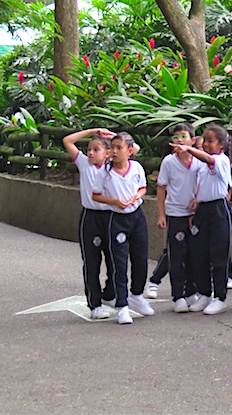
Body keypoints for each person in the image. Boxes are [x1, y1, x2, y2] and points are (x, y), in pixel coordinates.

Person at [91, 132, 154, 325]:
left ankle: (137, 295)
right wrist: (114, 201)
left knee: (140, 258)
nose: (115, 151)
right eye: (112, 147)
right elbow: (96, 195)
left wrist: (136, 196)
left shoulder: (136, 168)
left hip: (136, 217)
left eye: (119, 148)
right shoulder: (105, 172)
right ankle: (122, 305)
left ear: (130, 151)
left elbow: (142, 187)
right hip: (116, 219)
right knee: (119, 263)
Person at [174, 124, 232, 316]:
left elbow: (208, 159)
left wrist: (189, 149)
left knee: (219, 253)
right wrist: (196, 205)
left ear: (221, 144)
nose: (206, 144)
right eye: (204, 140)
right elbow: (200, 185)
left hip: (218, 208)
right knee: (199, 253)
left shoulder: (221, 160)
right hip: (203, 209)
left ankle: (220, 297)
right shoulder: (201, 165)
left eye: (210, 141)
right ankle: (205, 293)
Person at [62, 127, 116, 320]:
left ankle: (110, 294)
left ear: (107, 153)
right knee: (92, 262)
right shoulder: (84, 164)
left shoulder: (112, 165)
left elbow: (133, 148)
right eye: (89, 149)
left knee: (114, 259)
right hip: (90, 217)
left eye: (96, 149)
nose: (91, 153)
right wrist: (92, 131)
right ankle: (95, 304)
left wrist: (112, 137)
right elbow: (67, 141)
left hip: (111, 216)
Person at [151, 123, 203, 313]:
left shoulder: (200, 161)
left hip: (195, 215)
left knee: (194, 254)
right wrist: (161, 214)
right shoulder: (169, 162)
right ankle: (178, 296)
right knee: (176, 256)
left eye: (183, 136)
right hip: (175, 214)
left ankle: (191, 291)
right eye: (176, 137)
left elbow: (203, 183)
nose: (179, 140)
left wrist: (198, 200)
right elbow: (161, 188)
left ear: (193, 140)